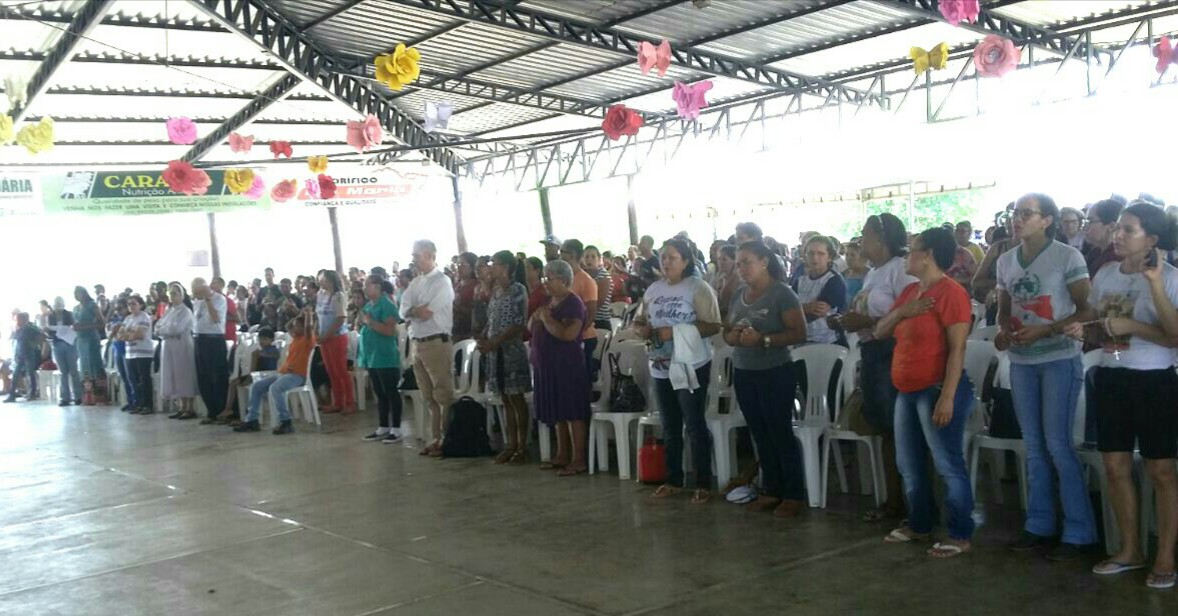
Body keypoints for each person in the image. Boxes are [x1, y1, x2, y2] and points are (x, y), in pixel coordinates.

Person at [1064, 202, 1178, 589]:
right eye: (1117, 229)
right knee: (1114, 466)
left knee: (1161, 470)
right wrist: (1087, 331)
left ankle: (1164, 554)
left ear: (1152, 239)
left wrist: (1152, 289)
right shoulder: (1107, 273)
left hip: (1155, 381)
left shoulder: (1172, 279)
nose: (1118, 236)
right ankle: (1130, 549)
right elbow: (1101, 325)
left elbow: (1175, 336)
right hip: (1112, 377)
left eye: (1129, 230)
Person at [995, 193, 1099, 559]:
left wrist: (1047, 330)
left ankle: (1079, 531)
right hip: (1022, 362)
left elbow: (1088, 310)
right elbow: (1003, 312)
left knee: (1057, 444)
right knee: (1034, 446)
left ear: (1047, 220)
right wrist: (1004, 330)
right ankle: (1039, 524)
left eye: (1027, 214)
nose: (1017, 219)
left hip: (1058, 359)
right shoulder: (1006, 260)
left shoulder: (1067, 257)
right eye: (1015, 213)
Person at [875, 227, 976, 558]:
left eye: (912, 249)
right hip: (907, 388)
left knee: (947, 461)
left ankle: (960, 532)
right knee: (909, 462)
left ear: (928, 255)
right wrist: (902, 312)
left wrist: (947, 396)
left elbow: (957, 350)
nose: (907, 255)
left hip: (935, 388)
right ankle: (920, 523)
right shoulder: (910, 294)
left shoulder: (952, 294)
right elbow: (879, 330)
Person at [831, 213, 915, 522]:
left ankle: (908, 503)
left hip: (892, 353)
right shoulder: (874, 273)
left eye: (864, 235)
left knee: (898, 430)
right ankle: (893, 500)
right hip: (872, 353)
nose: (860, 240)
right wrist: (845, 320)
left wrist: (865, 322)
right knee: (884, 428)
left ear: (880, 239)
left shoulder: (902, 271)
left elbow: (908, 318)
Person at [635, 238, 722, 504]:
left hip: (690, 364)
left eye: (672, 257)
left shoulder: (697, 287)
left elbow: (713, 325)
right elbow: (640, 319)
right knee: (670, 425)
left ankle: (703, 482)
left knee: (694, 424)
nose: (666, 262)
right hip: (661, 364)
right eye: (663, 257)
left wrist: (676, 332)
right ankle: (674, 479)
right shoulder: (653, 289)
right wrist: (643, 329)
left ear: (685, 261)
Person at [724, 240, 808, 516]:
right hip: (745, 370)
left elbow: (798, 332)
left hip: (775, 371)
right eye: (738, 263)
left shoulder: (781, 294)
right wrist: (733, 336)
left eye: (747, 262)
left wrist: (765, 340)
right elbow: (727, 331)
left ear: (764, 262)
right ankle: (771, 488)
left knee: (779, 431)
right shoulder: (739, 294)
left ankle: (794, 492)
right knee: (759, 432)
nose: (742, 268)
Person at [530, 259, 590, 476]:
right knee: (558, 412)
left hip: (567, 365)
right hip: (547, 365)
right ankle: (562, 454)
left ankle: (578, 459)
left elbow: (568, 334)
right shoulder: (549, 302)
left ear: (564, 280)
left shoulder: (573, 303)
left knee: (572, 412)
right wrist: (540, 318)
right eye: (544, 277)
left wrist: (545, 319)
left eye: (549, 278)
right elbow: (530, 325)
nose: (544, 282)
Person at [401, 240, 456, 457]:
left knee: (443, 393)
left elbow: (427, 312)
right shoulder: (416, 283)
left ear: (430, 256)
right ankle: (435, 438)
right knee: (428, 396)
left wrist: (412, 311)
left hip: (435, 342)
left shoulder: (442, 282)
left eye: (417, 255)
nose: (413, 259)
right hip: (418, 343)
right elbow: (402, 309)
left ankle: (447, 439)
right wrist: (414, 310)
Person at [481, 251, 532, 464]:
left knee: (516, 399)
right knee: (505, 399)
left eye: (495, 264)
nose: (491, 267)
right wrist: (485, 336)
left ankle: (522, 446)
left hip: (511, 352)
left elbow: (519, 322)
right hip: (496, 353)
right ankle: (510, 444)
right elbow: (492, 319)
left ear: (506, 267)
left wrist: (497, 340)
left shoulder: (517, 290)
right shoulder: (495, 291)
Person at [235, 314, 316, 435]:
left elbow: (309, 327)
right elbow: (287, 325)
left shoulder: (308, 339)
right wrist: (299, 314)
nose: (294, 328)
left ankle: (286, 421)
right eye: (295, 326)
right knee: (257, 387)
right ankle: (252, 420)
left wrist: (307, 315)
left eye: (298, 326)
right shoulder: (296, 337)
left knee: (276, 388)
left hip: (298, 375)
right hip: (284, 373)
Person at [358, 276, 404, 444]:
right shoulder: (369, 305)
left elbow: (389, 330)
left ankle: (397, 428)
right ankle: (383, 425)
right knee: (380, 392)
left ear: (377, 287)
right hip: (371, 356)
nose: (365, 289)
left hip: (385, 355)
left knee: (391, 392)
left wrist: (370, 322)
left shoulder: (387, 305)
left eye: (367, 285)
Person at [791, 235, 846, 346]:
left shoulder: (834, 280)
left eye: (821, 254)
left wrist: (798, 309)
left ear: (829, 257)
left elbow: (816, 312)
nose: (815, 258)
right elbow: (788, 309)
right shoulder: (799, 281)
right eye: (811, 253)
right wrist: (806, 308)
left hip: (827, 341)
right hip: (801, 339)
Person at [315, 269, 354, 415]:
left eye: (324, 279)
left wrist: (327, 334)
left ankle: (349, 402)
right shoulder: (320, 294)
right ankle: (337, 402)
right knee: (330, 371)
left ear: (331, 280)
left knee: (341, 371)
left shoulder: (338, 296)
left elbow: (340, 318)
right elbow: (318, 315)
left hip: (336, 337)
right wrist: (318, 332)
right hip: (325, 338)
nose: (321, 282)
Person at [190, 278, 229, 424]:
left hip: (214, 340)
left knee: (217, 376)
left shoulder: (219, 299)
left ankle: (222, 411)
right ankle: (211, 411)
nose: (195, 294)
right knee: (203, 377)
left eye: (197, 291)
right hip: (199, 340)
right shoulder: (197, 301)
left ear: (204, 288)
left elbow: (216, 319)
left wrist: (208, 300)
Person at [157, 283, 198, 420]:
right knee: (174, 375)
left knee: (184, 375)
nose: (172, 296)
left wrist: (164, 331)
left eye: (175, 293)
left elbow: (177, 329)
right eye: (171, 294)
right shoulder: (169, 310)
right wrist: (165, 331)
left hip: (182, 346)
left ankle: (189, 408)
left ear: (182, 295)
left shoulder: (186, 311)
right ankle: (181, 406)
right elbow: (157, 327)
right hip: (169, 346)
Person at [561, 240, 600, 378]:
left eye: (562, 252)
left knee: (582, 381)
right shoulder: (565, 279)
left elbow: (591, 313)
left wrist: (576, 333)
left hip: (584, 337)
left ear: (571, 255)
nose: (560, 256)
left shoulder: (586, 280)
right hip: (567, 336)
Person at [120, 295, 154, 414]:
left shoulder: (144, 317)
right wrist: (129, 334)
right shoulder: (128, 318)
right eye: (129, 304)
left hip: (143, 353)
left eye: (134, 303)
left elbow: (139, 335)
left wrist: (128, 335)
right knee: (134, 380)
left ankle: (148, 405)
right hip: (130, 353)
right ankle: (138, 403)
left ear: (141, 305)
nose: (131, 306)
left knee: (144, 379)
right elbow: (120, 334)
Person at [72, 286, 105, 403]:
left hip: (91, 338)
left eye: (78, 293)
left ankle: (100, 394)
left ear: (84, 293)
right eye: (74, 294)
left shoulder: (92, 305)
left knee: (94, 363)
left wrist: (85, 326)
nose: (76, 296)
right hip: (80, 339)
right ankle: (87, 395)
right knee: (84, 365)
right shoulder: (76, 308)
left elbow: (102, 323)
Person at [46, 297, 81, 406]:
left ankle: (78, 396)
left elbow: (73, 327)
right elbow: (50, 331)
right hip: (57, 344)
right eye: (56, 306)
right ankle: (65, 397)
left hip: (70, 344)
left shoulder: (69, 314)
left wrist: (65, 329)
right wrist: (49, 331)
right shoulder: (50, 316)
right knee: (63, 372)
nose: (58, 309)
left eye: (60, 306)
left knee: (73, 371)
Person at [3, 312, 43, 403]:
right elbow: (16, 342)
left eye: (19, 320)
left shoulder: (31, 328)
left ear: (24, 320)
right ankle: (12, 394)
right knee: (16, 374)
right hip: (20, 355)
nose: (17, 321)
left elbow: (41, 336)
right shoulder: (18, 330)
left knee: (30, 374)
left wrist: (34, 344)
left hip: (29, 354)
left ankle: (32, 393)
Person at [1083, 198, 1126, 277]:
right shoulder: (1096, 252)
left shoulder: (1117, 259)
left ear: (1111, 226)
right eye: (1085, 222)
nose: (1085, 228)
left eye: (1090, 221)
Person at [104, 299, 132, 411]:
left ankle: (136, 400)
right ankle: (130, 400)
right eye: (116, 309)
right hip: (118, 350)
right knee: (124, 378)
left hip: (126, 350)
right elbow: (109, 332)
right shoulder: (117, 319)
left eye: (120, 308)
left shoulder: (129, 319)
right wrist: (110, 310)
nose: (118, 311)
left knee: (130, 377)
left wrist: (116, 330)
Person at [584, 245, 613, 330]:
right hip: (584, 318)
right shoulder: (582, 275)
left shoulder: (604, 276)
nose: (589, 259)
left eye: (593, 257)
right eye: (586, 257)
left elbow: (599, 302)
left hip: (600, 321)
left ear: (599, 259)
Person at [211, 277, 238, 343]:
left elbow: (237, 319)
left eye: (214, 283)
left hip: (227, 334)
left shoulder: (228, 301)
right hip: (214, 333)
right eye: (211, 283)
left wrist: (221, 316)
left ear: (221, 286)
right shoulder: (210, 300)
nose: (211, 285)